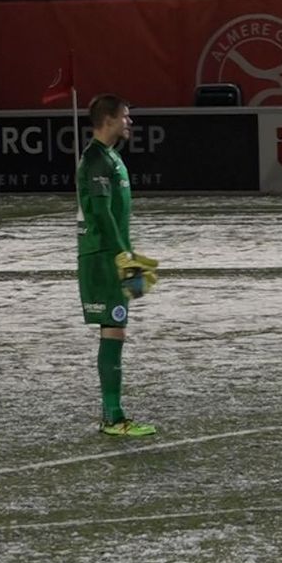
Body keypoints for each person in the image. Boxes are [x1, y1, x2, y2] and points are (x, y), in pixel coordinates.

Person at [76, 93, 158, 437]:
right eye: (125, 116)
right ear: (108, 119)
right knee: (113, 330)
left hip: (111, 255)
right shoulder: (97, 160)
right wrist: (124, 256)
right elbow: (103, 214)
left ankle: (113, 414)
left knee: (115, 330)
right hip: (104, 258)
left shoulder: (109, 157)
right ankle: (113, 418)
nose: (130, 122)